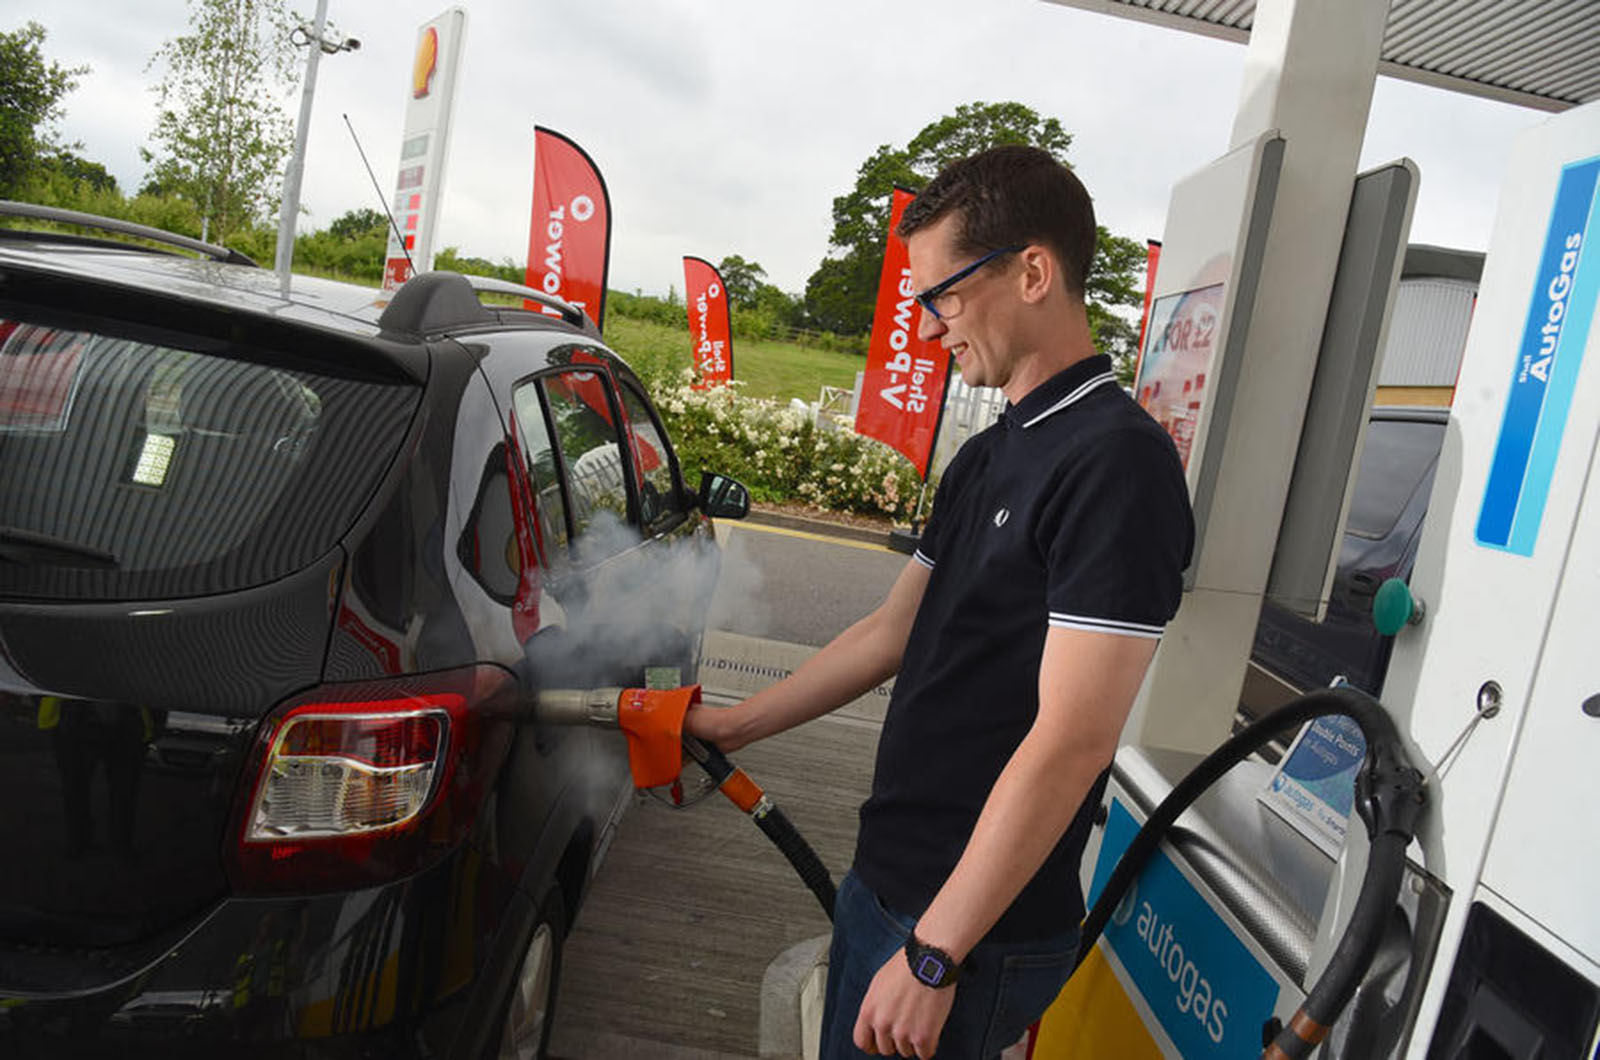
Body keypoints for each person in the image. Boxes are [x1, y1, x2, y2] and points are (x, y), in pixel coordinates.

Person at [684, 144, 1194, 1060]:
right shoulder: (991, 453)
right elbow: (893, 631)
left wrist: (935, 954)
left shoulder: (1117, 465)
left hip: (968, 936)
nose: (927, 330)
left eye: (944, 297)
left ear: (1032, 272)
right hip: (891, 885)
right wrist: (735, 725)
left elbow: (1074, 738)